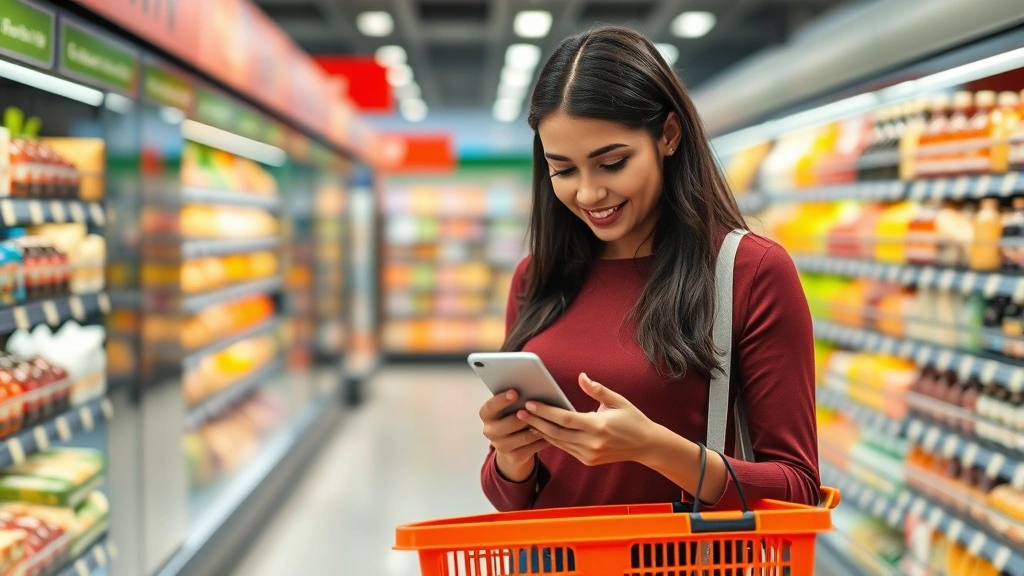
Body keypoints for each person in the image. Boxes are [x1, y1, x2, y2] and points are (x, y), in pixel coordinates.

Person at [478, 25, 819, 512]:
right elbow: (512, 502)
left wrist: (655, 449)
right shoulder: (536, 277)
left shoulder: (749, 271)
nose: (589, 194)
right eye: (564, 170)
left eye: (612, 163)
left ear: (669, 135)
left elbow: (799, 489)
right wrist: (512, 456)